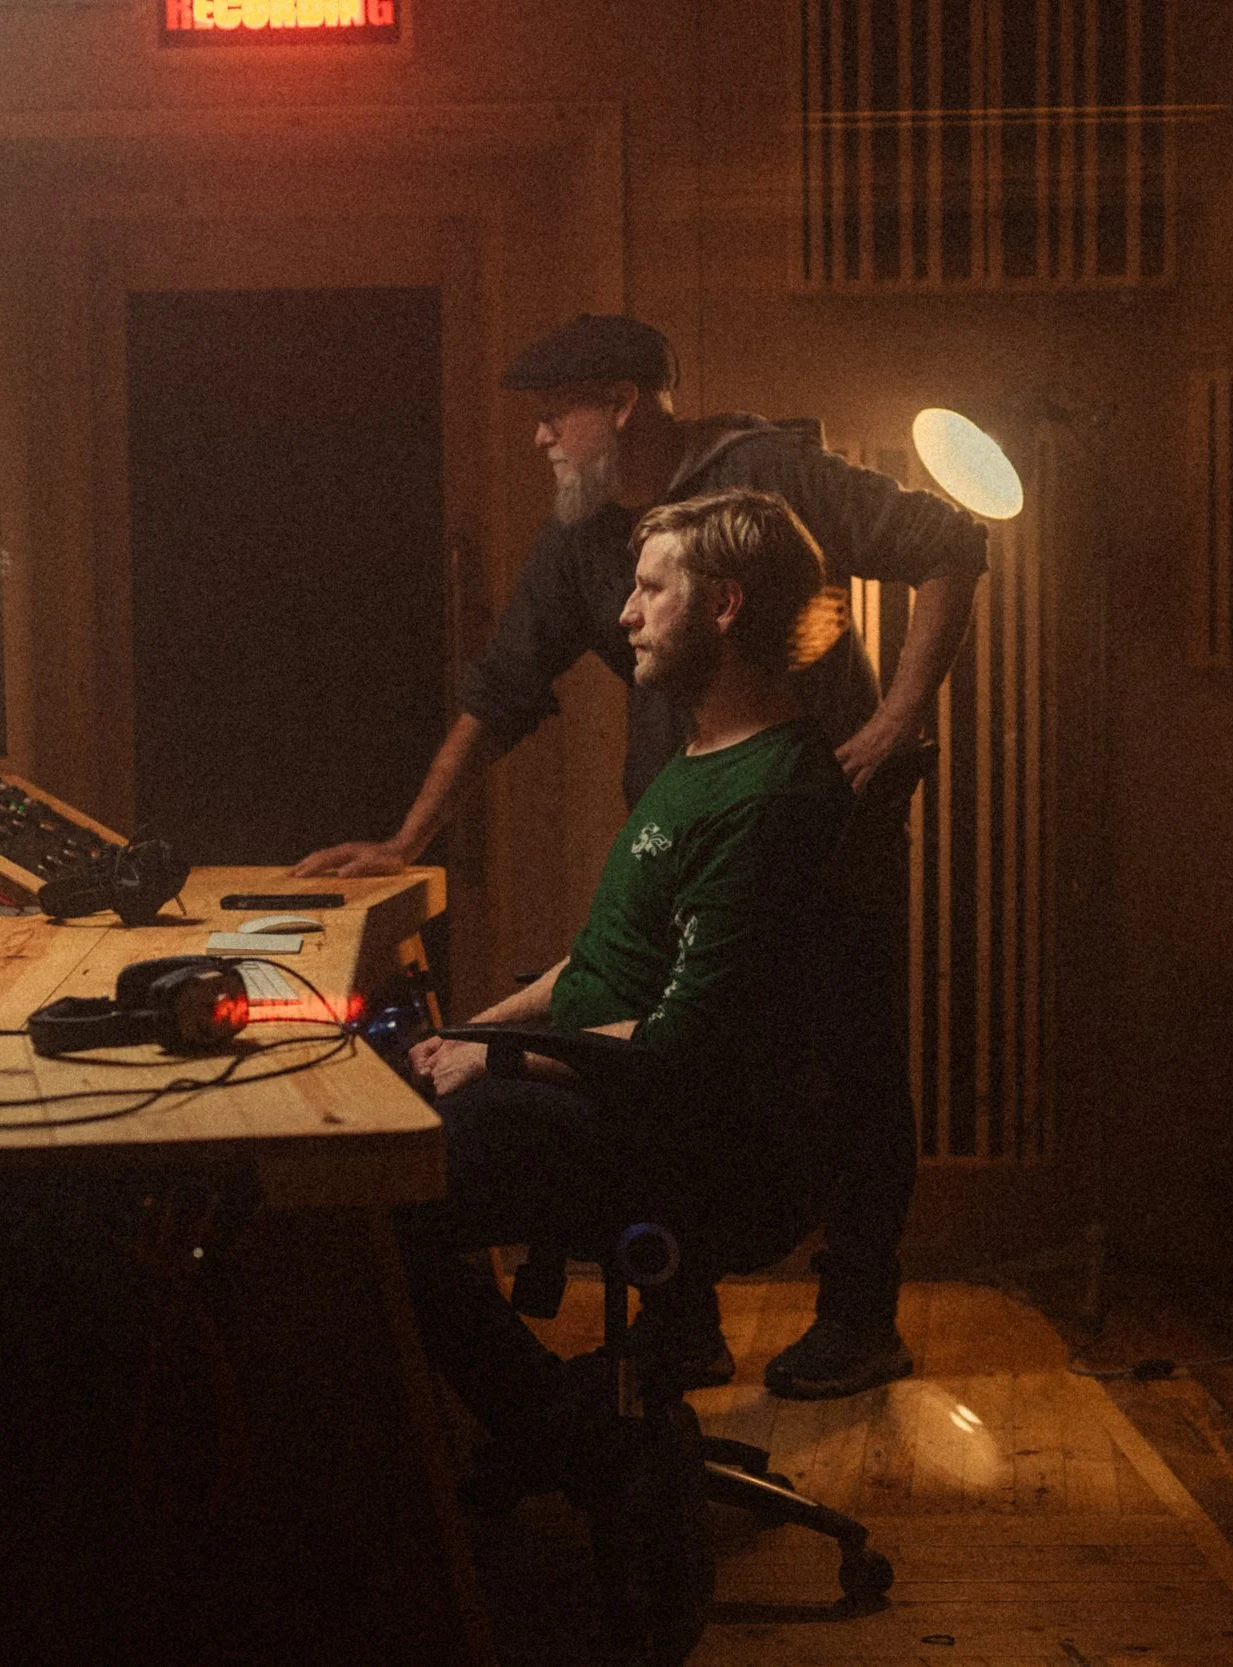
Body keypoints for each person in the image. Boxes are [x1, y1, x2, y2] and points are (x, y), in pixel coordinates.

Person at [301, 314, 988, 1399]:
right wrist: (403, 842)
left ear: (621, 403)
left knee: (840, 1061)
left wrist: (897, 718)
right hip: (682, 822)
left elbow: (948, 540)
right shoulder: (584, 540)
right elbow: (500, 691)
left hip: (818, 830)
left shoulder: (760, 478)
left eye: (552, 416)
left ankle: (859, 1316)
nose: (539, 441)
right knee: (658, 1025)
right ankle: (680, 1322)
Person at [394, 486, 851, 1526]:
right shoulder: (700, 760)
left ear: (724, 604)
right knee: (377, 1129)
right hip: (607, 1085)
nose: (625, 616)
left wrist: (503, 1065)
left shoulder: (772, 793)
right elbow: (601, 961)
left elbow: (688, 1046)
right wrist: (474, 1030)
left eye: (652, 590)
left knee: (373, 1195)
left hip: (687, 1133)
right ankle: (552, 1420)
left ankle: (562, 1432)